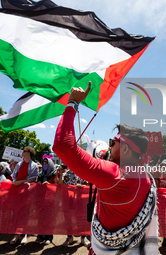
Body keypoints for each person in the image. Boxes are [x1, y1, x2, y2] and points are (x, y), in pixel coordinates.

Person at [53, 82, 158, 254]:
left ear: (124, 149)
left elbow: (62, 147)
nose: (109, 147)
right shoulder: (144, 176)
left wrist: (72, 103)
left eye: (112, 143)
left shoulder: (114, 175)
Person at [10, 146, 38, 245]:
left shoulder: (34, 165)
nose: (22, 152)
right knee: (15, 213)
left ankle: (24, 234)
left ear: (29, 153)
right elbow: (14, 175)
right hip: (17, 191)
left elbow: (33, 178)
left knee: (25, 213)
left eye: (24, 151)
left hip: (27, 192)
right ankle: (16, 234)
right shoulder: (19, 164)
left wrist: (21, 182)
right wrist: (15, 182)